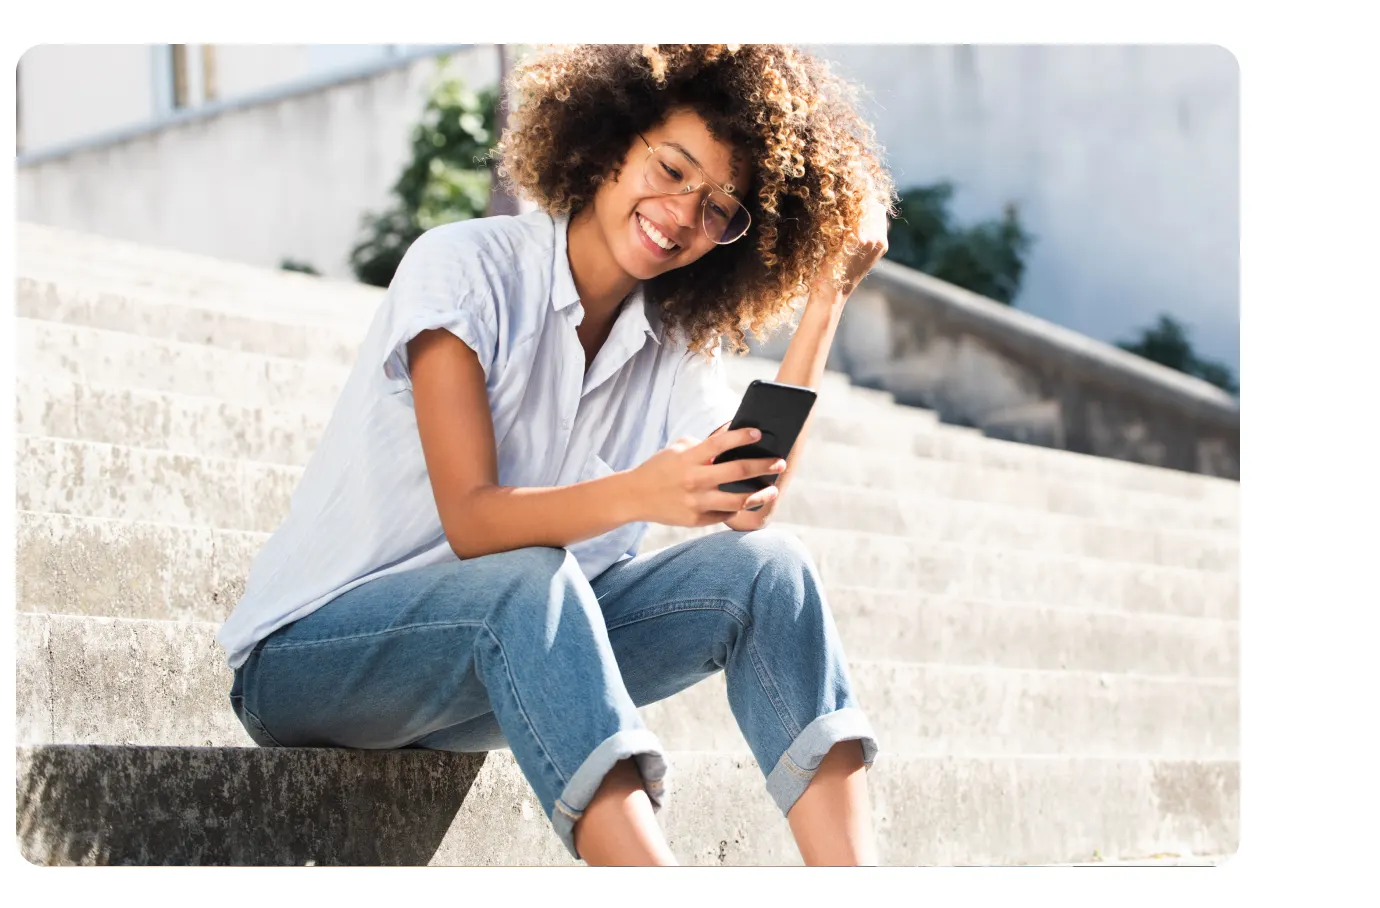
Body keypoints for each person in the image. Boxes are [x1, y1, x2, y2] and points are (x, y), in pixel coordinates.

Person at [217, 43, 897, 866]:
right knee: (529, 579)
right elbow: (472, 522)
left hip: (491, 675)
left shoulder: (672, 340)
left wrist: (827, 299)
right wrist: (641, 493)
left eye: (720, 205)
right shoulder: (465, 269)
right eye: (672, 168)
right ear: (611, 140)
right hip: (312, 664)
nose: (684, 215)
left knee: (772, 573)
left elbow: (750, 501)